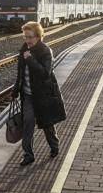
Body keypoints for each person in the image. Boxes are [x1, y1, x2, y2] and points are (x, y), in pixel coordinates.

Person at [12, 22, 66, 166]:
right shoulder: (24, 49)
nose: (28, 40)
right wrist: (16, 88)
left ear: (38, 36)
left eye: (30, 37)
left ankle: (54, 146)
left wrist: (30, 59)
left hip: (43, 95)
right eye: (25, 37)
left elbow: (44, 74)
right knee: (28, 122)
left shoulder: (45, 51)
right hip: (28, 94)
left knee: (47, 123)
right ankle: (28, 154)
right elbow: (21, 72)